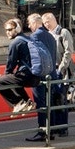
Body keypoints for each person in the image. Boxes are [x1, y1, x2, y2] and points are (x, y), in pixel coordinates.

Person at [0, 18, 36, 114]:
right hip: (35, 76)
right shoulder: (28, 39)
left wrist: (6, 75)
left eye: (10, 30)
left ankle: (17, 103)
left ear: (18, 29)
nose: (8, 32)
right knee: (14, 78)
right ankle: (28, 102)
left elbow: (11, 63)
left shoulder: (16, 43)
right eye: (6, 30)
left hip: (26, 76)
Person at [25, 13, 58, 141]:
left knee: (41, 104)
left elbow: (32, 57)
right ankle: (51, 130)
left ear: (34, 23)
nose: (28, 26)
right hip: (52, 75)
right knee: (50, 103)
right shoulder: (50, 36)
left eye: (29, 23)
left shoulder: (34, 37)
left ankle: (43, 131)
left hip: (41, 76)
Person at [42, 11, 74, 138]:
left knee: (61, 99)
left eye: (47, 22)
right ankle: (54, 127)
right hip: (51, 71)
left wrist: (61, 68)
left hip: (61, 71)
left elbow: (68, 51)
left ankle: (63, 128)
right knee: (52, 100)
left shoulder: (63, 32)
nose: (46, 25)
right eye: (44, 23)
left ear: (52, 20)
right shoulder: (48, 34)